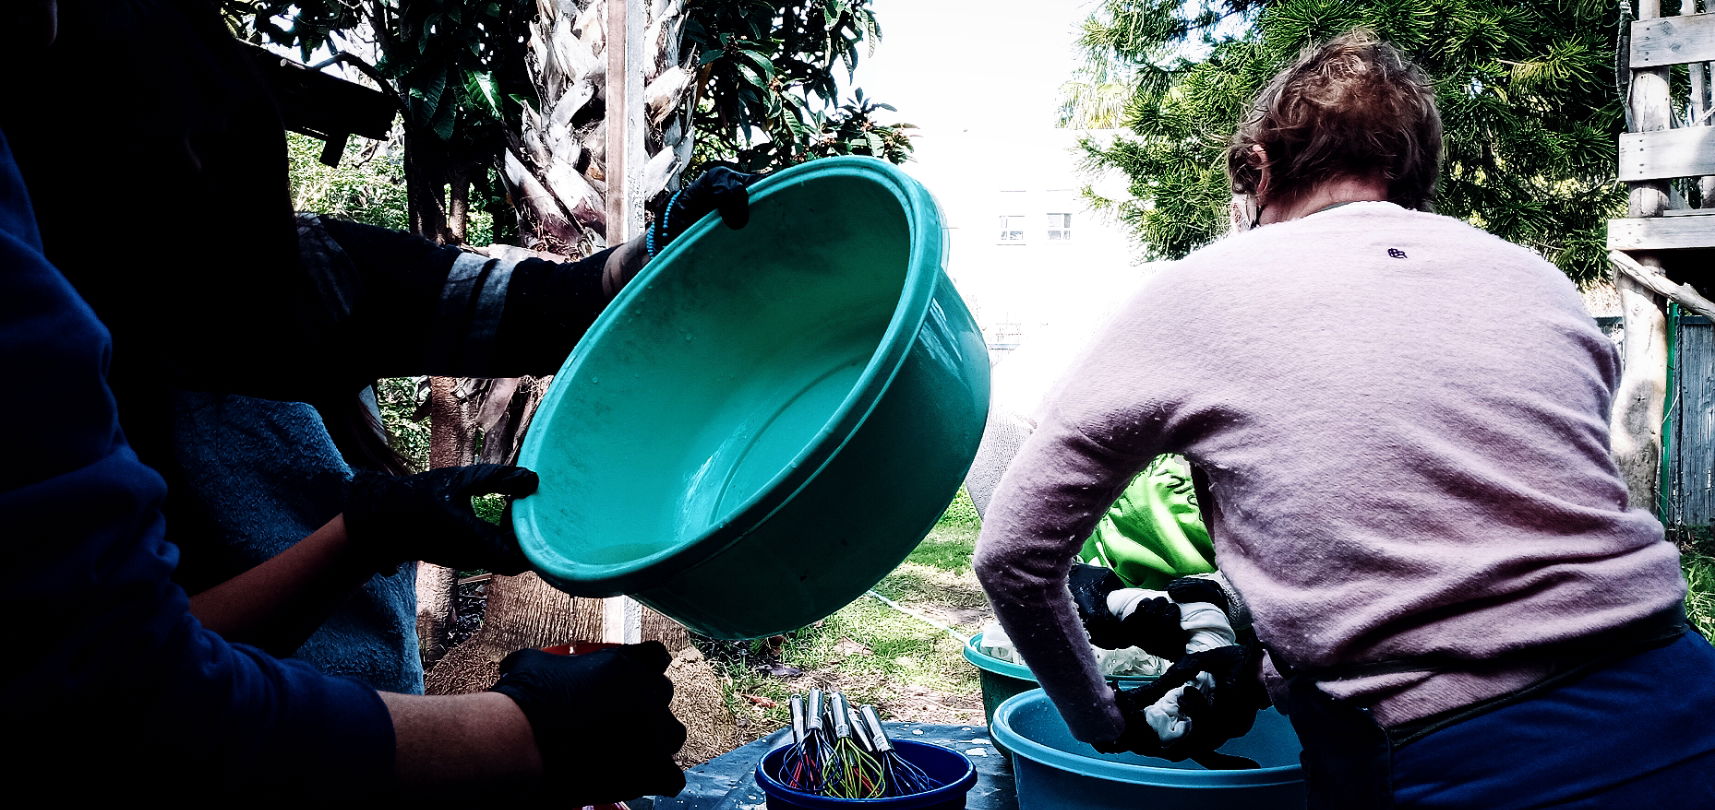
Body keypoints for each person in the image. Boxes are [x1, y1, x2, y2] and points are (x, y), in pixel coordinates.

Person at [974, 30, 1715, 808]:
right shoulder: (1539, 283)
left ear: (1258, 169)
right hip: (1681, 698)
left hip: (1456, 754)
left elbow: (1013, 558)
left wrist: (1101, 720)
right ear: (1413, 174)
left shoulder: (1202, 289)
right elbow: (1464, 533)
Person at [1, 0, 755, 693]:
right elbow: (129, 678)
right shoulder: (47, 371)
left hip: (386, 734)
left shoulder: (305, 272)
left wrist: (660, 247)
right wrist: (360, 539)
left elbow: (543, 306)